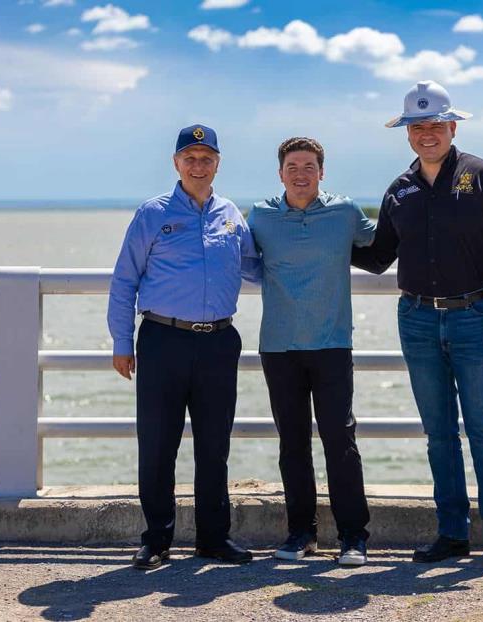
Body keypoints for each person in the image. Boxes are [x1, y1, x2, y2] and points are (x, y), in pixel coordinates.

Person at [352, 81, 483, 575]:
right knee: (438, 435)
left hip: (478, 319)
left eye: (435, 125)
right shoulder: (399, 190)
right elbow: (378, 256)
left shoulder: (482, 175)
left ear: (452, 127)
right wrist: (320, 234)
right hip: (418, 320)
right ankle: (451, 534)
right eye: (418, 126)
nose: (427, 134)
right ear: (407, 133)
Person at [107, 124, 261, 568]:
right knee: (157, 444)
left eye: (206, 158)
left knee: (215, 446)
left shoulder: (231, 214)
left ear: (217, 164)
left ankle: (214, 538)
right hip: (162, 339)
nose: (198, 165)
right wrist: (122, 340)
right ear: (176, 163)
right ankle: (156, 540)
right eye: (190, 157)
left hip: (218, 342)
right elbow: (124, 281)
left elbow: (254, 267)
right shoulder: (152, 214)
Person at [248, 137, 375, 566]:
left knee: (340, 439)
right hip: (279, 346)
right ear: (280, 172)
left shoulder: (345, 213)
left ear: (322, 172)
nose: (300, 173)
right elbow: (235, 258)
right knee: (293, 443)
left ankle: (354, 537)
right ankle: (301, 534)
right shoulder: (261, 217)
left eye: (309, 166)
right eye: (292, 166)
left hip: (332, 343)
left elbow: (388, 245)